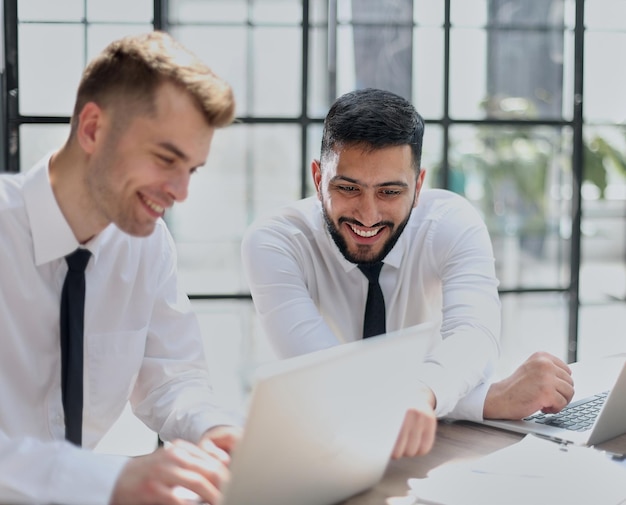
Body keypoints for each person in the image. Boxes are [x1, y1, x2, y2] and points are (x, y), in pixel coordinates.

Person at [241, 88, 575, 459]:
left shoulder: (451, 223)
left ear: (418, 187)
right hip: (316, 450)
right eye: (348, 188)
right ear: (318, 179)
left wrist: (423, 395)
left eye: (389, 192)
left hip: (429, 449)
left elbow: (473, 335)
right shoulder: (275, 242)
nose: (367, 215)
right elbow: (332, 382)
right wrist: (488, 400)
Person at [0, 31, 242, 505]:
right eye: (165, 159)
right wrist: (107, 481)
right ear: (92, 129)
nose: (180, 191)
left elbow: (172, 377)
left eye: (191, 169)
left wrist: (215, 430)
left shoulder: (146, 246)